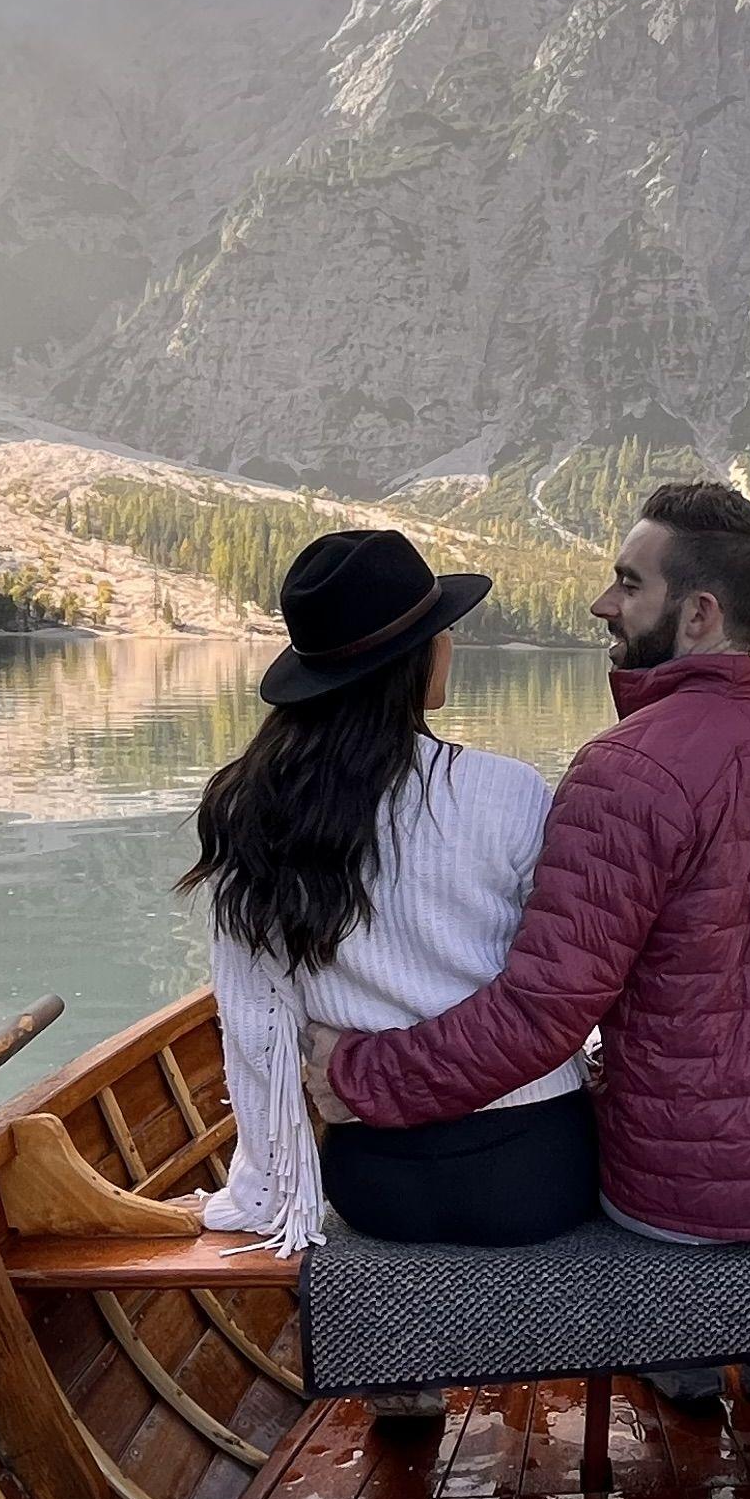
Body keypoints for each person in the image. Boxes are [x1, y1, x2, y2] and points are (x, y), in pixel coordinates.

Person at [306, 478, 750, 1413]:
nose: (601, 604)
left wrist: (365, 1075)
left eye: (627, 584)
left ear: (697, 614)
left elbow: (542, 1016)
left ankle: (686, 1355)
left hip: (694, 1205)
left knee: (594, 1116)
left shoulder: (626, 772)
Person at [187, 529, 598, 1289]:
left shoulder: (251, 807)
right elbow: (559, 989)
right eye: (442, 630)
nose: (449, 644)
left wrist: (274, 1190)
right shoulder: (506, 792)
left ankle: (401, 1383)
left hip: (374, 1183)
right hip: (534, 1175)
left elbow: (254, 1025)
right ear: (417, 657)